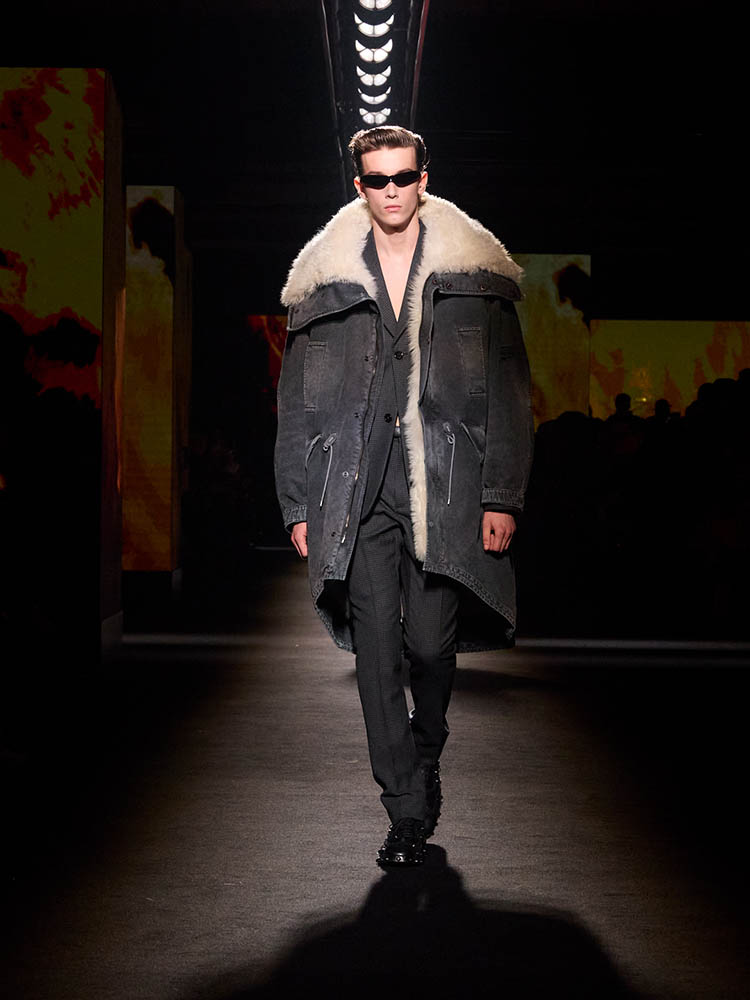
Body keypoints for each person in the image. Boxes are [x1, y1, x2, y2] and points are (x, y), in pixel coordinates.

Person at [275, 125, 533, 867]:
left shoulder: (474, 278)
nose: (391, 191)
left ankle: (426, 753)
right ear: (358, 186)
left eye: (402, 177)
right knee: (377, 654)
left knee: (429, 646)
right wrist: (298, 504)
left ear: (424, 178)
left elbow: (511, 393)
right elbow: (296, 406)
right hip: (356, 492)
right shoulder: (323, 285)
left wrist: (501, 495)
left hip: (443, 491)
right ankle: (405, 810)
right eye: (376, 180)